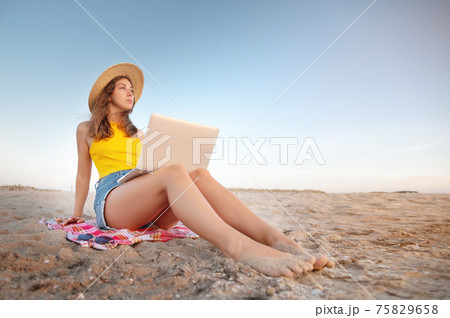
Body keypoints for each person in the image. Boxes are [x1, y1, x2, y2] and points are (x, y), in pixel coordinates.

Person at [58, 62, 334, 277]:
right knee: (175, 171)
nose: (130, 93)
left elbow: (152, 169)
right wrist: (75, 212)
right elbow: (83, 175)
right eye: (123, 87)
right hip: (113, 198)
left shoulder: (141, 133)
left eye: (132, 89)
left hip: (148, 200)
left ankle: (276, 240)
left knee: (198, 173)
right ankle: (238, 247)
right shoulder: (86, 129)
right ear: (108, 94)